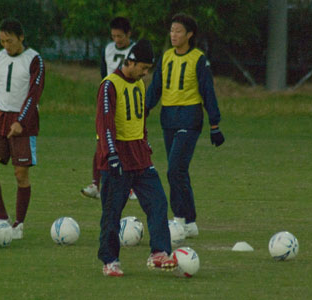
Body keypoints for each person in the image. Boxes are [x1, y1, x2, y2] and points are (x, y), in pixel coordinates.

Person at [96, 39, 176, 276]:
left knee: (158, 202)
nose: (145, 72)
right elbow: (105, 124)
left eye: (148, 69)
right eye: (143, 67)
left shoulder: (140, 84)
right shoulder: (109, 85)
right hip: (117, 159)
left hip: (140, 158)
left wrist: (146, 143)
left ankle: (159, 253)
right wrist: (111, 154)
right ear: (130, 61)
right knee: (112, 212)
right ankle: (110, 260)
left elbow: (139, 122)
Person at [146, 13, 224, 238]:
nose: (173, 35)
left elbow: (207, 91)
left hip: (190, 118)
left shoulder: (199, 58)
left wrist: (214, 123)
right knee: (180, 171)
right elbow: (155, 88)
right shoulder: (166, 57)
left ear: (189, 35)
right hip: (168, 119)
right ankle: (190, 222)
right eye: (171, 30)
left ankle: (178, 219)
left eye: (178, 31)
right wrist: (144, 110)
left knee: (174, 170)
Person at [0, 18, 45, 239]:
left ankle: (19, 224)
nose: (6, 45)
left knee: (20, 174)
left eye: (10, 41)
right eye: (2, 41)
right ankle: (2, 217)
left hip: (24, 122)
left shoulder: (34, 60)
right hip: (0, 119)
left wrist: (21, 122)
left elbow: (34, 95)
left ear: (21, 38)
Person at [81, 16, 138, 200]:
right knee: (102, 141)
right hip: (108, 102)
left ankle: (131, 187)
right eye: (113, 36)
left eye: (120, 36)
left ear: (128, 34)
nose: (116, 40)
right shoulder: (107, 49)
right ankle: (95, 185)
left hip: (128, 103)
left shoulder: (135, 51)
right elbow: (103, 73)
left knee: (128, 144)